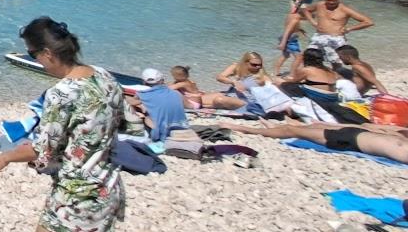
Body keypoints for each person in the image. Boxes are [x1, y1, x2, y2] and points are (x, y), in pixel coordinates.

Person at [0, 17, 123, 232]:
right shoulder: (105, 77)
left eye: (33, 54)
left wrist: (7, 156)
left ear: (48, 53)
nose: (36, 61)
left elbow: (43, 150)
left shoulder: (62, 94)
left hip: (77, 189)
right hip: (107, 182)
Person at [223, 120, 408, 163]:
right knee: (316, 124)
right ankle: (277, 125)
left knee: (292, 131)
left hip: (351, 140)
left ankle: (247, 129)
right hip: (364, 131)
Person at [310, 0, 373, 65]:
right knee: (309, 58)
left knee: (336, 62)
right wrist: (312, 21)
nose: (331, 2)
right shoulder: (319, 5)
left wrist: (349, 29)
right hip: (319, 36)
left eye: (334, 1)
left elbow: (368, 22)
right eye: (328, 0)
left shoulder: (345, 9)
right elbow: (305, 10)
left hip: (336, 38)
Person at [132, 69, 189, 142]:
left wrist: (140, 105)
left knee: (144, 116)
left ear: (144, 82)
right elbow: (189, 106)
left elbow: (128, 103)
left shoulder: (142, 94)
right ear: (162, 80)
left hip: (161, 133)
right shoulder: (176, 93)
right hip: (182, 128)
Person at [168, 65, 245, 111]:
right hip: (196, 103)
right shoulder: (190, 82)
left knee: (175, 92)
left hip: (193, 105)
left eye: (174, 76)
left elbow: (169, 88)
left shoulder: (183, 83)